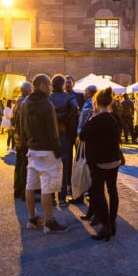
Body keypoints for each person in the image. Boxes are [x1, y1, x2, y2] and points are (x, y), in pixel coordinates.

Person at [17, 74, 68, 233]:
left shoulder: (25, 103)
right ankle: (49, 222)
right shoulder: (47, 105)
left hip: (32, 150)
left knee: (30, 185)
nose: (51, 88)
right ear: (42, 86)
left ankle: (32, 219)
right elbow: (53, 132)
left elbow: (20, 127)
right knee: (47, 187)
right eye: (49, 85)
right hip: (47, 150)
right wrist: (58, 152)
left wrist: (26, 144)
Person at [80, 87, 123, 241]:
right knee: (112, 190)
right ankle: (112, 223)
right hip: (114, 159)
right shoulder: (115, 117)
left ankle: (105, 227)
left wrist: (91, 118)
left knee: (98, 192)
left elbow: (82, 135)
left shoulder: (96, 120)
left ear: (96, 103)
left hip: (100, 161)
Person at [49, 74, 79, 205]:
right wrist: (67, 121)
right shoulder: (68, 97)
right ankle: (61, 197)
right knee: (65, 166)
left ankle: (50, 196)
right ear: (62, 84)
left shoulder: (48, 98)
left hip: (51, 135)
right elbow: (75, 108)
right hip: (64, 134)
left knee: (50, 166)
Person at [75, 84, 97, 211]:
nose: (83, 94)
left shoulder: (89, 105)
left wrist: (80, 136)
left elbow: (83, 124)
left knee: (84, 167)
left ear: (88, 93)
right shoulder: (94, 103)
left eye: (85, 92)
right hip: (92, 141)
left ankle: (84, 194)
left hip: (85, 140)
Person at [13, 82, 32, 200]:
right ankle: (22, 190)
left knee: (19, 163)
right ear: (26, 90)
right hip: (22, 137)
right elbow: (23, 122)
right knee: (24, 164)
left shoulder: (18, 101)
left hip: (18, 136)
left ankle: (17, 188)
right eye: (31, 88)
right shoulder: (24, 102)